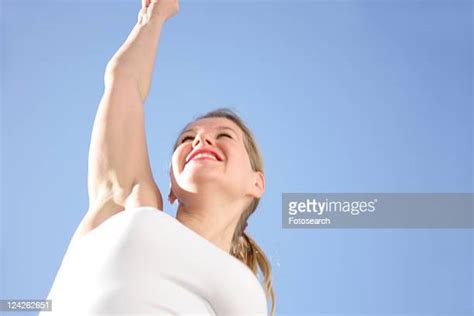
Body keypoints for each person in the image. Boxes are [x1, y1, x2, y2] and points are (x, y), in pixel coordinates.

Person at [40, 0, 275, 315]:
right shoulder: (129, 205)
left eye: (224, 136)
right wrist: (154, 15)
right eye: (187, 139)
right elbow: (124, 82)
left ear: (256, 182)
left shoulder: (245, 292)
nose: (201, 139)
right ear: (171, 187)